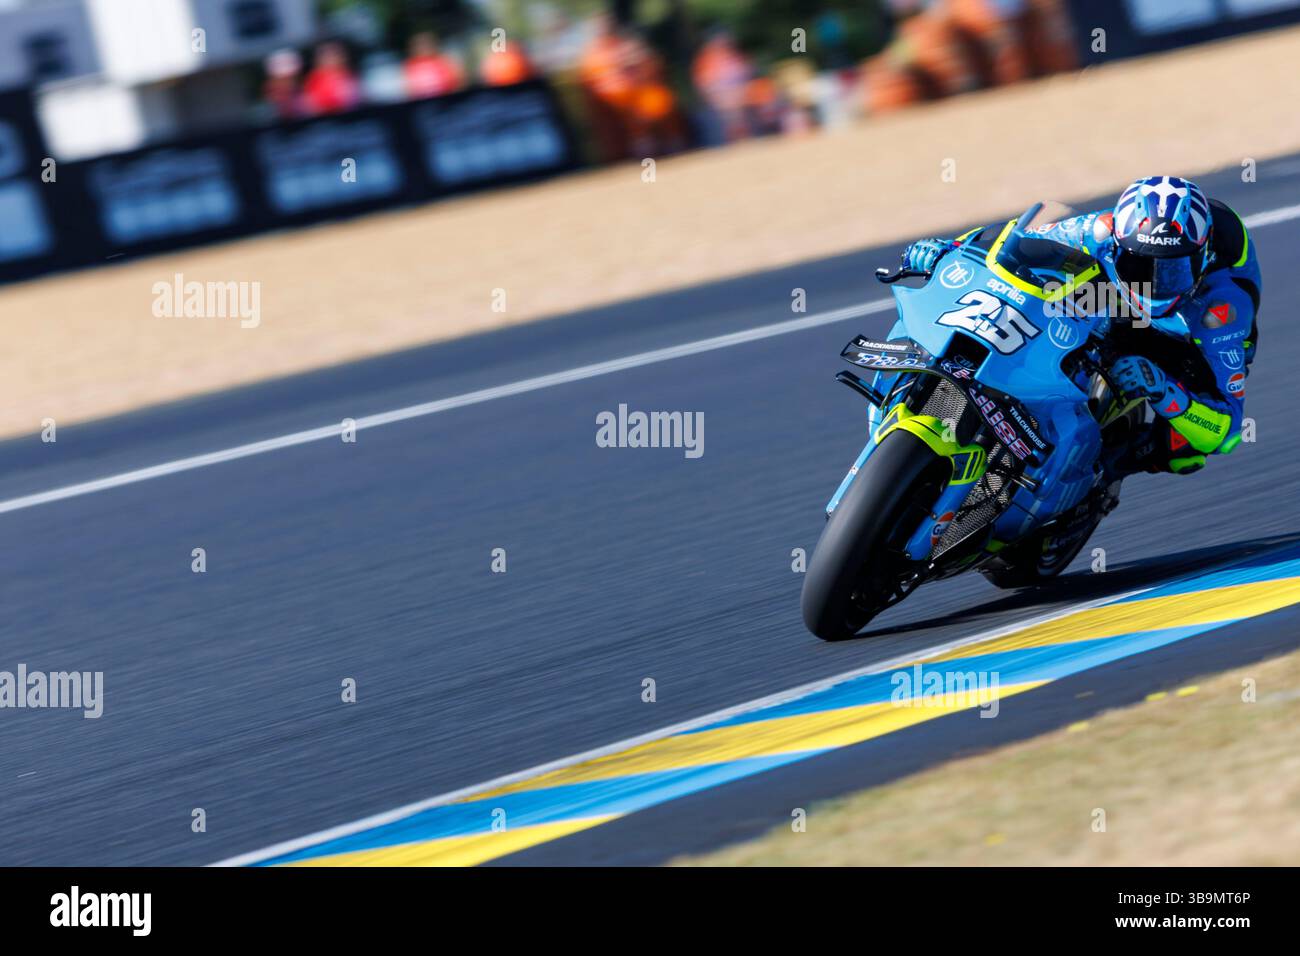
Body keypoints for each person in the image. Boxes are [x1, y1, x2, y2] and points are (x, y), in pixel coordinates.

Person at [901, 176, 1262, 476]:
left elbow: (1228, 433)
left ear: (1203, 256)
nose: (1154, 284)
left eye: (1172, 271)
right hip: (1115, 298)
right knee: (1048, 285)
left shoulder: (1224, 308)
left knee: (1181, 450)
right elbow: (1018, 241)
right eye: (1141, 267)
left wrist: (1164, 388)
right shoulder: (1103, 229)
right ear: (1120, 245)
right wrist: (951, 249)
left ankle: (1093, 477)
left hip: (1184, 332)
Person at [302, 41, 361, 115]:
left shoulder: (349, 73)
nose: (335, 58)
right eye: (328, 55)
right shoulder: (315, 79)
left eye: (338, 53)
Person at [404, 32, 463, 99]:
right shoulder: (410, 66)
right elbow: (409, 91)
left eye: (426, 43)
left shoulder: (444, 60)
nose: (424, 47)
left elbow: (457, 82)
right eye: (420, 44)